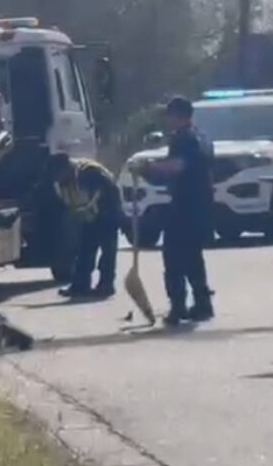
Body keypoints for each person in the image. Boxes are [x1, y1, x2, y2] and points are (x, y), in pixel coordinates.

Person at [135, 96, 215, 325]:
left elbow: (178, 166)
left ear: (178, 115)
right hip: (201, 205)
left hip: (185, 206)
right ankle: (202, 304)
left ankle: (178, 306)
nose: (167, 120)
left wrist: (149, 169)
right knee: (193, 257)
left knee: (173, 257)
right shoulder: (203, 137)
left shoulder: (184, 139)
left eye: (169, 115)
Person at [47, 153, 122, 299]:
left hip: (108, 210)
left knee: (108, 250)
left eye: (58, 174)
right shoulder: (61, 182)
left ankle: (106, 285)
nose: (56, 178)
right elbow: (66, 203)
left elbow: (103, 194)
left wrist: (96, 213)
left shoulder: (89, 173)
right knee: (85, 249)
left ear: (66, 168)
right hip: (88, 215)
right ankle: (80, 285)